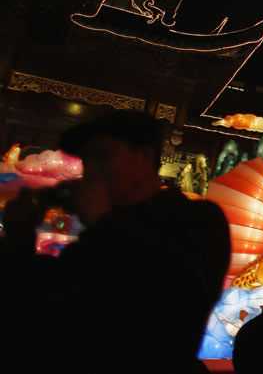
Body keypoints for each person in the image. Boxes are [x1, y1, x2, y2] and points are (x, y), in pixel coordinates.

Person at [1, 110, 231, 374]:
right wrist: (21, 234)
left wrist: (102, 219)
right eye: (87, 161)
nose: (92, 172)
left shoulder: (197, 219)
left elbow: (171, 294)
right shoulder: (97, 235)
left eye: (101, 156)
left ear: (145, 156)